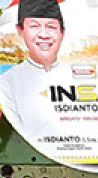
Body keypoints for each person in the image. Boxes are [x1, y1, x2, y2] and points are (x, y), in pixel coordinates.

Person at [0, 0, 69, 132]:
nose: (43, 35)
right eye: (34, 26)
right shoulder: (6, 82)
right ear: (20, 30)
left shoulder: (78, 73)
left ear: (62, 32)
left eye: (51, 27)